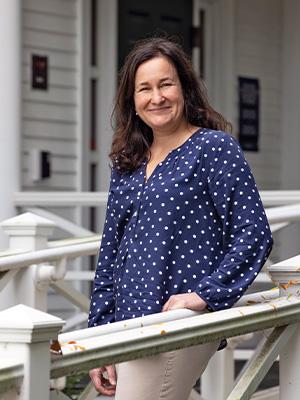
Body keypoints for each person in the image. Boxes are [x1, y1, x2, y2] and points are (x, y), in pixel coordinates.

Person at [88, 37, 273, 399]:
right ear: (133, 101)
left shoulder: (214, 149)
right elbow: (110, 253)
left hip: (177, 322)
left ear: (185, 89)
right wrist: (99, 335)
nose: (156, 97)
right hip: (128, 323)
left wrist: (206, 294)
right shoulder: (127, 163)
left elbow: (254, 233)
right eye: (145, 88)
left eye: (166, 84)